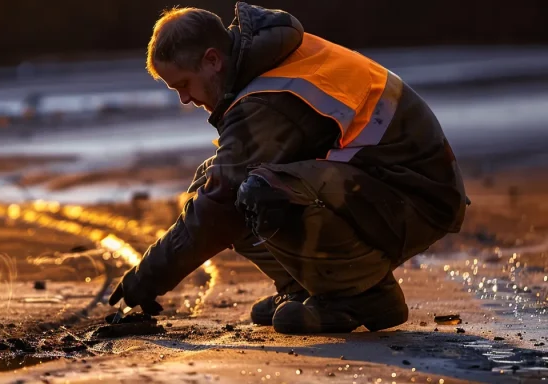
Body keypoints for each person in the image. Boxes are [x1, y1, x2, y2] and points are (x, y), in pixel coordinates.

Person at [108, 2, 468, 334]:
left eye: (184, 84)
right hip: (388, 185)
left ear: (213, 60)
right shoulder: (269, 62)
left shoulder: (268, 98)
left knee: (251, 192)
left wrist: (146, 279)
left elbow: (217, 206)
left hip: (417, 195)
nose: (185, 98)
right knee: (218, 178)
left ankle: (359, 297)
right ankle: (308, 286)